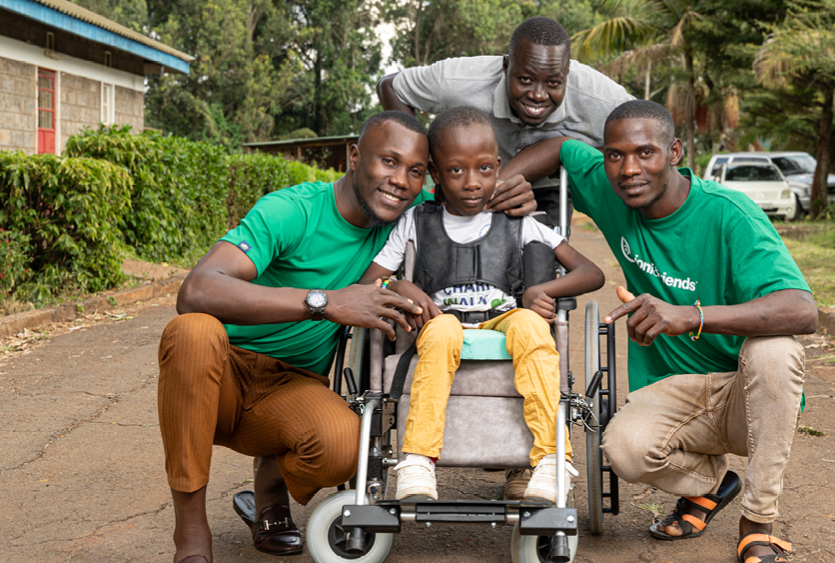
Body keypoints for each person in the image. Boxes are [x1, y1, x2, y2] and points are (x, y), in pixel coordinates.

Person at [157, 110, 537, 563]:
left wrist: (511, 191)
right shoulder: (292, 211)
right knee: (192, 331)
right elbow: (197, 289)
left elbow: (469, 188)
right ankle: (191, 529)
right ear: (354, 156)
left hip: (292, 384)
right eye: (388, 162)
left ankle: (271, 484)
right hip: (220, 372)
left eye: (416, 171)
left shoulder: (414, 218)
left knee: (345, 449)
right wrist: (326, 302)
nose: (400, 180)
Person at [508, 100, 818, 563]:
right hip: (673, 390)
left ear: (674, 152)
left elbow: (801, 309)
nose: (628, 169)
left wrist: (690, 316)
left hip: (746, 393)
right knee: (624, 448)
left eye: (645, 153)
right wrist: (494, 185)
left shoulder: (730, 214)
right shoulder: (614, 190)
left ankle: (758, 521)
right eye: (615, 155)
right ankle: (713, 486)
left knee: (776, 351)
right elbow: (561, 147)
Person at [359, 106, 605, 504]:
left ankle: (551, 460)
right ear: (437, 174)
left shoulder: (519, 220)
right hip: (442, 324)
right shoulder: (416, 221)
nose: (472, 183)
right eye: (456, 171)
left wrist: (538, 293)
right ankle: (418, 459)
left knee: (529, 324)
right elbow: (369, 282)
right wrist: (399, 283)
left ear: (498, 166)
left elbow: (591, 272)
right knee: (440, 329)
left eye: (484, 170)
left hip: (502, 321)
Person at [378, 16, 634, 233]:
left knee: (543, 260)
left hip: (549, 185)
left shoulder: (600, 97)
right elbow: (391, 86)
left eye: (553, 83)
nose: (537, 94)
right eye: (525, 79)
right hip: (470, 179)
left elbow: (646, 134)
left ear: (568, 74)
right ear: (505, 66)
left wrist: (585, 157)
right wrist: (421, 164)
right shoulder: (459, 79)